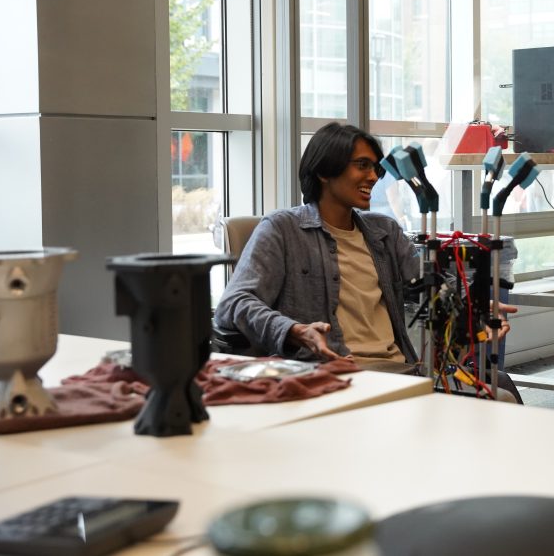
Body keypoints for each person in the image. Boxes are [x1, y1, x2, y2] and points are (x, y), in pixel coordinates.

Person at [214, 121, 520, 400]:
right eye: (362, 165)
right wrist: (295, 330)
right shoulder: (282, 230)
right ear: (324, 171)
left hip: (400, 370)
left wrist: (474, 309)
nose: (374, 177)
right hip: (336, 373)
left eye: (376, 168)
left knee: (501, 386)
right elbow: (234, 304)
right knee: (491, 400)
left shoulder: (383, 231)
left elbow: (434, 293)